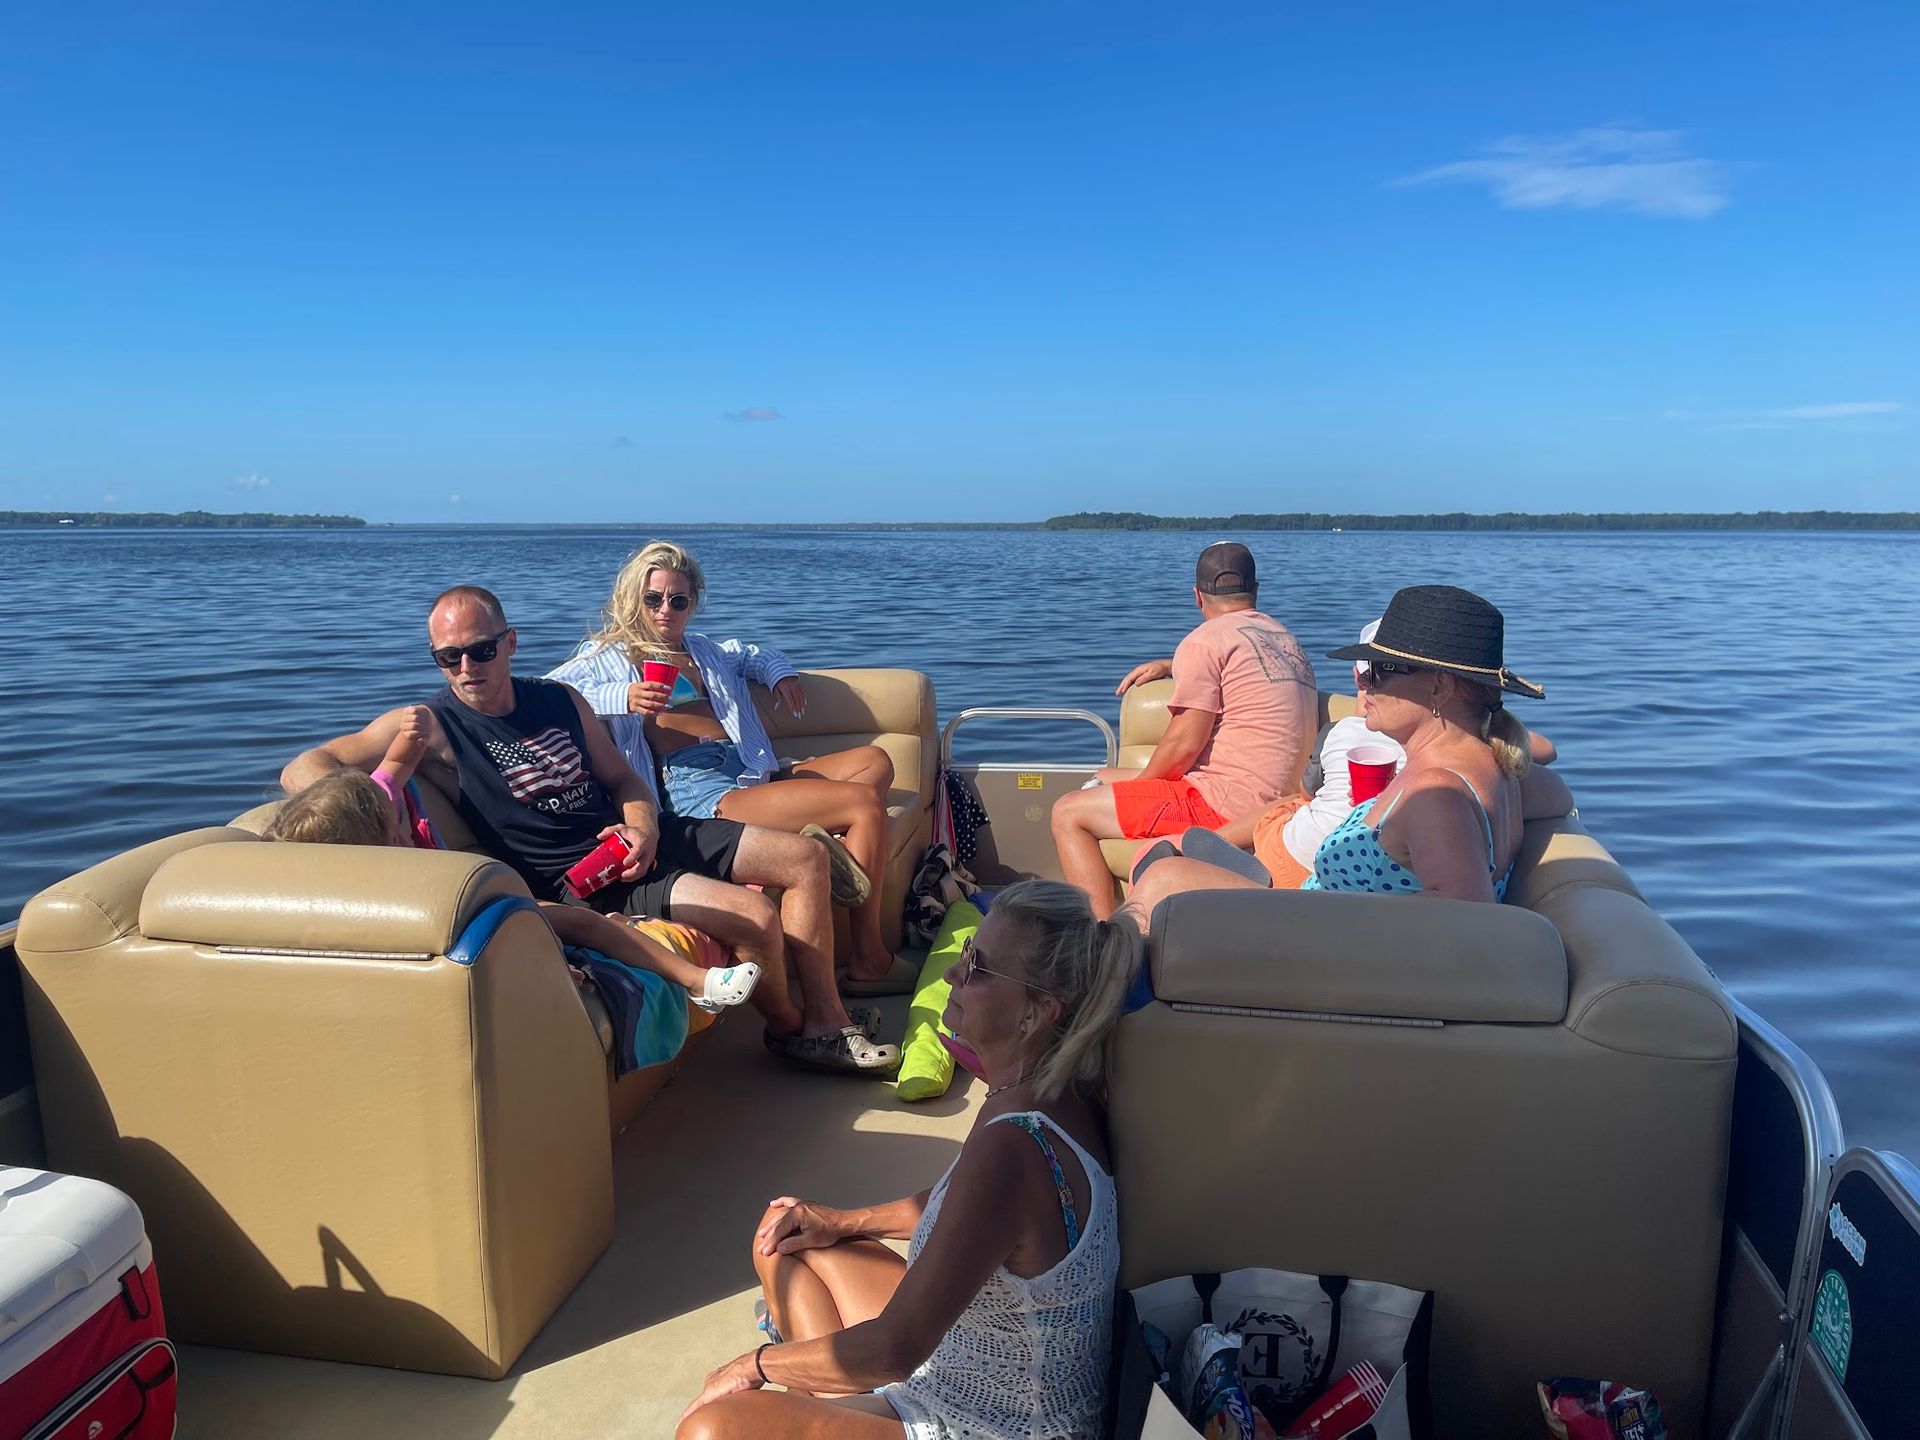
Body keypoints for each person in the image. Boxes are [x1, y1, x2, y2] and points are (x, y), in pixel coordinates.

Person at [280, 585, 896, 1074]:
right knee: (754, 918)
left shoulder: (558, 699)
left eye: (481, 650)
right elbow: (303, 768)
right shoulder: (430, 724)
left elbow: (625, 779)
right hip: (583, 878)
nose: (467, 667)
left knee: (803, 860)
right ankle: (795, 1032)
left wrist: (643, 826)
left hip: (638, 839)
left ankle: (827, 1018)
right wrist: (374, 795)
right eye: (449, 657)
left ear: (510, 643)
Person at [676, 881, 1136, 1440]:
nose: (950, 976)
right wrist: (840, 1222)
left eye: (978, 968)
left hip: (992, 1426)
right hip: (962, 1369)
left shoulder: (1013, 1148)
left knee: (713, 1430)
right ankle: (813, 1406)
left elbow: (893, 1351)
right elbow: (968, 1219)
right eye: (965, 955)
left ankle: (806, 1404)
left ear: (1036, 1013)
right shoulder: (1059, 1096)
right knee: (783, 1240)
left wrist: (751, 1366)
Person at [549, 542, 902, 985]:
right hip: (700, 791)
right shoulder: (610, 657)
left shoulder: (705, 651)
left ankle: (809, 834)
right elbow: (550, 690)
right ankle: (870, 956)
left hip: (749, 769)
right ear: (634, 597)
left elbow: (755, 654)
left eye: (678, 600)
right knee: (863, 803)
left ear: (693, 601)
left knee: (875, 761)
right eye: (652, 598)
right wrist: (623, 697)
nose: (665, 611)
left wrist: (780, 673)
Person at [265, 708, 761, 1013]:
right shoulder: (392, 884)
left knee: (576, 920)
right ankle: (696, 982)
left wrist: (411, 733)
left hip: (497, 899)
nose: (400, 818)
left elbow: (394, 767)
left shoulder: (377, 794)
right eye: (391, 822)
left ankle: (701, 983)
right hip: (479, 914)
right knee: (582, 925)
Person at [1126, 584, 1560, 917]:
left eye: (1382, 671)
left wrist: (1285, 917)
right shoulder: (1500, 768)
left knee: (1162, 878)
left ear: (1439, 687)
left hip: (1326, 942)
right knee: (1165, 869)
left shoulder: (1438, 795)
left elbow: (1461, 926)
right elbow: (1559, 795)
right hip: (1324, 915)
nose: (1364, 683)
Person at [1049, 540, 1315, 918]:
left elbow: (1184, 743)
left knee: (1067, 812)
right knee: (1102, 776)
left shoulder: (1204, 641)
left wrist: (1141, 787)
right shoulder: (1286, 641)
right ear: (1255, 592)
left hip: (1226, 806)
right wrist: (1173, 664)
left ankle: (1098, 938)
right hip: (1280, 806)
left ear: (1196, 597)